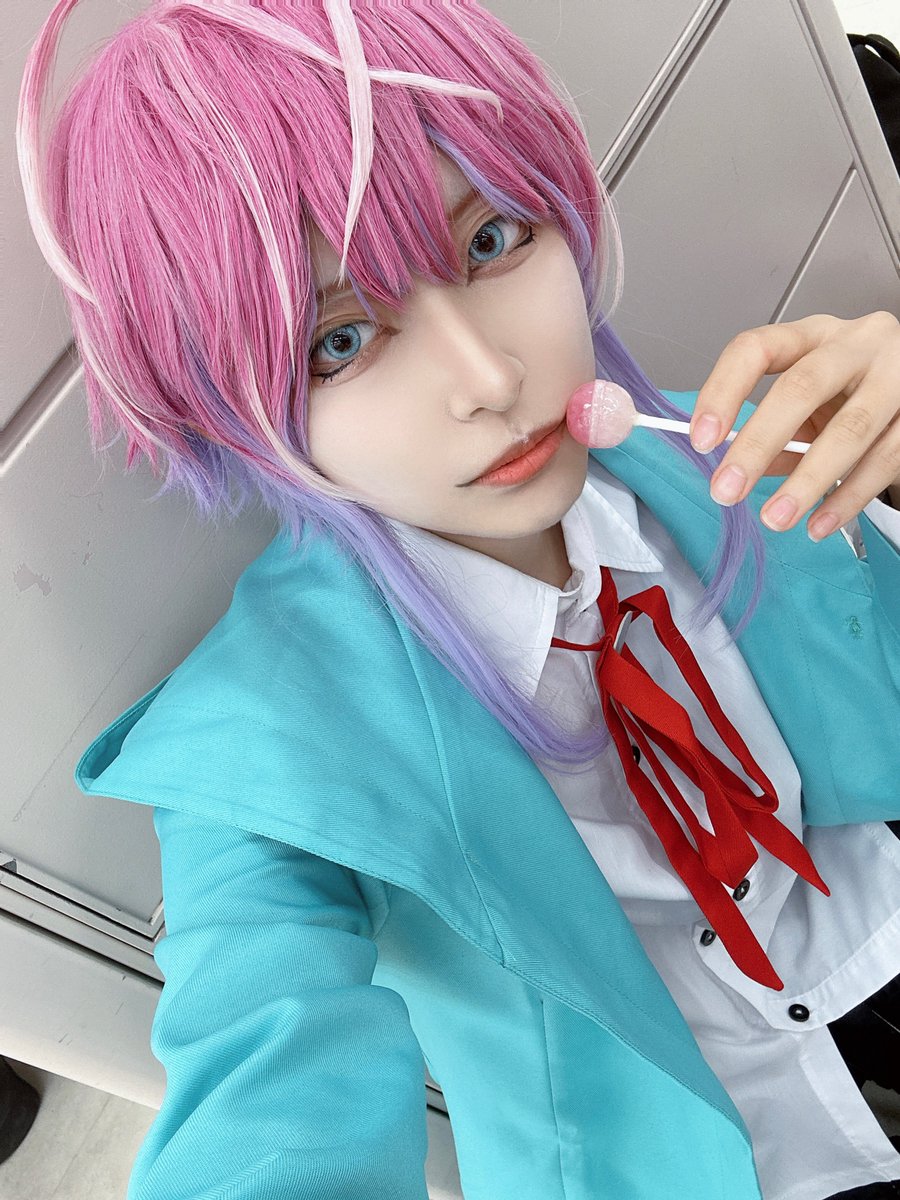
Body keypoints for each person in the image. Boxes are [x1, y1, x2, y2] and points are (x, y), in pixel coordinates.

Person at [16, 2, 900, 1198]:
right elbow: (271, 1099)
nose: (489, 379)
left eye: (491, 240)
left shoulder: (727, 456)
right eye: (337, 343)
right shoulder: (263, 757)